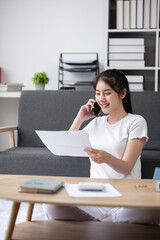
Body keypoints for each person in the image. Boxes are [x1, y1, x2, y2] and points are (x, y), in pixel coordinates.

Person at [43, 69, 160, 225]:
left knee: (153, 208)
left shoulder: (136, 122)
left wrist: (106, 157)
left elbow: (126, 167)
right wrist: (80, 118)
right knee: (50, 204)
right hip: (95, 197)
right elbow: (63, 150)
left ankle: (98, 225)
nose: (101, 99)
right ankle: (109, 224)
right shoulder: (96, 123)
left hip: (125, 199)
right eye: (97, 93)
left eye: (107, 93)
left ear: (123, 93)